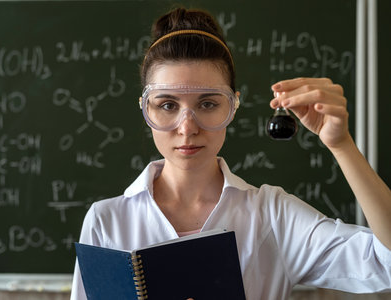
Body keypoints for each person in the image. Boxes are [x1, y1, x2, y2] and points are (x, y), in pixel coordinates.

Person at [71, 7, 391, 299]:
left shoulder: (273, 216)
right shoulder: (107, 221)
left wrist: (342, 145)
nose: (187, 128)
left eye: (208, 104)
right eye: (167, 105)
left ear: (233, 105)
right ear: (145, 108)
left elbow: (384, 263)